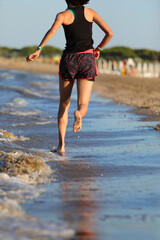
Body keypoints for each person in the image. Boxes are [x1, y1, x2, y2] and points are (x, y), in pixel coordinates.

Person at [26, 0, 113, 153]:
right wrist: (98, 48)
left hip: (69, 60)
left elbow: (51, 31)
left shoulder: (63, 15)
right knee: (83, 104)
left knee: (63, 105)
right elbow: (109, 33)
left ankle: (61, 146)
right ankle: (79, 113)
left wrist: (39, 49)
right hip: (87, 59)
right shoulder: (91, 13)